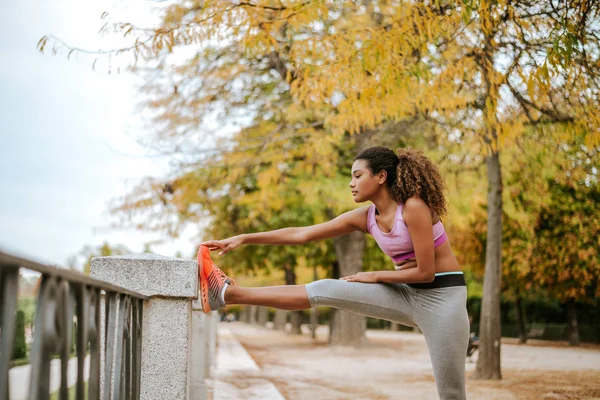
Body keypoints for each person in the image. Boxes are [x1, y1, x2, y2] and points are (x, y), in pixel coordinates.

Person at [199, 146, 469, 400]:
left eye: (357, 175)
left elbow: (425, 273)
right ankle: (226, 294)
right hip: (405, 293)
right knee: (325, 289)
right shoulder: (366, 217)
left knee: (451, 393)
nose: (351, 183)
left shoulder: (413, 207)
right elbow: (302, 234)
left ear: (381, 177)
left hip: (443, 300)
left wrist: (375, 275)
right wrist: (245, 238)